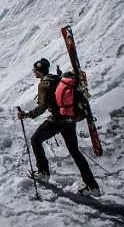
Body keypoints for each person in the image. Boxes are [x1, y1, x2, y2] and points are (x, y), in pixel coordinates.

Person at [17, 58, 102, 197]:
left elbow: (42, 106)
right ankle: (92, 186)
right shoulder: (57, 78)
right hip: (69, 118)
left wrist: (27, 115)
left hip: (57, 120)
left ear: (38, 71)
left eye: (34, 70)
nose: (34, 73)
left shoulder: (44, 84)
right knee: (75, 151)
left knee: (35, 140)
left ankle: (43, 173)